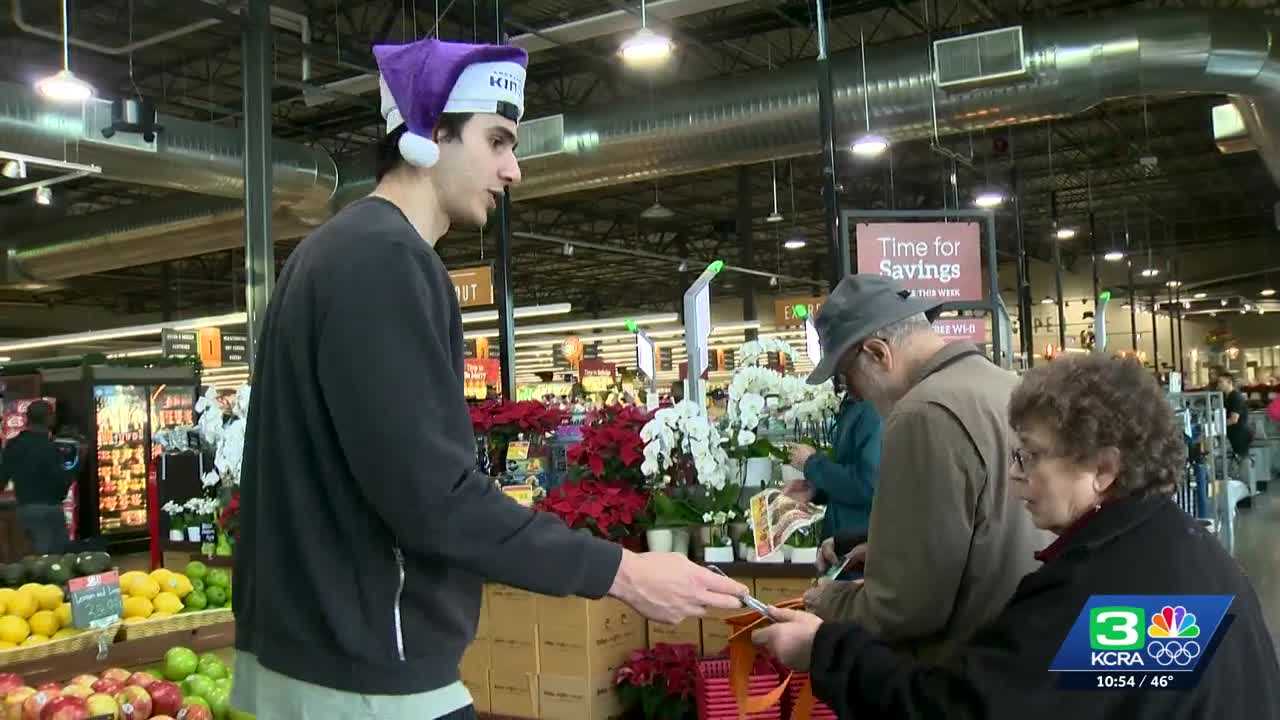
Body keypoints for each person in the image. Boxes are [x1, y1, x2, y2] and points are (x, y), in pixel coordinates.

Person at [231, 37, 746, 719]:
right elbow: (432, 499)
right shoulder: (384, 263)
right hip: (369, 677)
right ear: (427, 134)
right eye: (498, 140)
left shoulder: (335, 254)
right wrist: (622, 573)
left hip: (328, 659)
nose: (514, 170)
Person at [753, 354, 1280, 719]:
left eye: (1031, 454)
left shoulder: (1104, 595)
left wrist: (823, 648)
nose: (1016, 473)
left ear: (1102, 469)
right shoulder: (1180, 551)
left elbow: (968, 711)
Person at [799, 274, 1050, 663]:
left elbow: (905, 611)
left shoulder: (922, 413)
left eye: (848, 381)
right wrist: (893, 551)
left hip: (962, 674)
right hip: (1024, 658)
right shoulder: (1009, 386)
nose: (856, 395)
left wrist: (830, 601)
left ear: (879, 354)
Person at [783, 385, 881, 541]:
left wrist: (812, 464)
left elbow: (866, 485)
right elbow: (851, 475)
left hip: (859, 544)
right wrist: (817, 491)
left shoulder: (872, 409)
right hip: (845, 541)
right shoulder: (854, 404)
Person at [0, 401, 71, 554]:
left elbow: (2, 477)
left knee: (37, 558)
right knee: (58, 558)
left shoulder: (13, 445)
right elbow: (62, 485)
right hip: (52, 509)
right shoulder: (53, 447)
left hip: (26, 509)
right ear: (49, 419)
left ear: (26, 418)